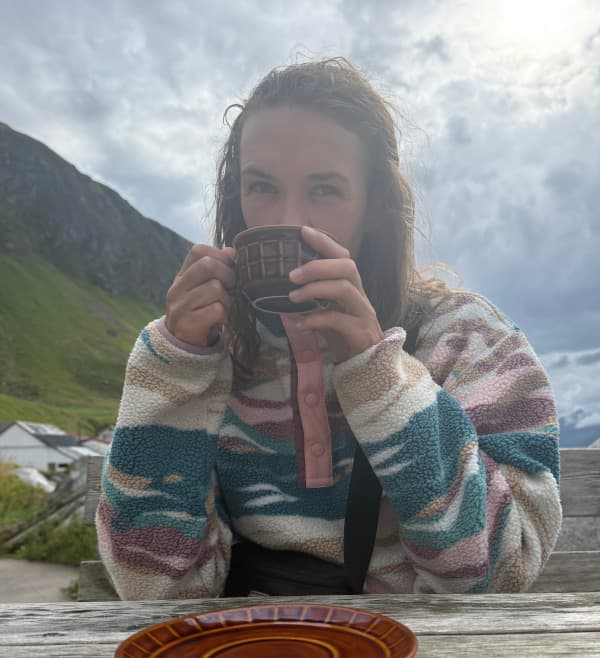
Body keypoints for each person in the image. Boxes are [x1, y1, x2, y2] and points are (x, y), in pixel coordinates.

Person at [96, 57, 562, 600]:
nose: (287, 219)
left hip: (421, 649)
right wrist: (175, 365)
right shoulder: (203, 352)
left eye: (324, 190)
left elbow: (503, 572)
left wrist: (378, 374)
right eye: (261, 186)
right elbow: (152, 589)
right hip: (255, 647)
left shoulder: (469, 338)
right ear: (235, 200)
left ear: (374, 207)